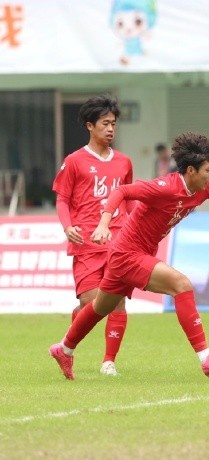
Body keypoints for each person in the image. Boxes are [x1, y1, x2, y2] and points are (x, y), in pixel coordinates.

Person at [49, 132, 209, 380]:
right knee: (181, 284)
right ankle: (206, 358)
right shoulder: (164, 187)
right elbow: (121, 191)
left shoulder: (202, 188)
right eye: (208, 170)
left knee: (99, 308)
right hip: (127, 253)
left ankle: (64, 349)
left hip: (129, 253)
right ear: (191, 170)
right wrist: (104, 224)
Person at [52, 94, 134, 376]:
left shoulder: (124, 162)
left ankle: (109, 362)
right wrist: (67, 227)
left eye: (113, 124)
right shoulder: (74, 161)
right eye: (105, 123)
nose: (110, 129)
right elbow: (62, 199)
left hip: (118, 240)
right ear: (90, 125)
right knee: (91, 303)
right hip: (86, 242)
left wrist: (137, 229)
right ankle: (69, 341)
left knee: (118, 301)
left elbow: (129, 200)